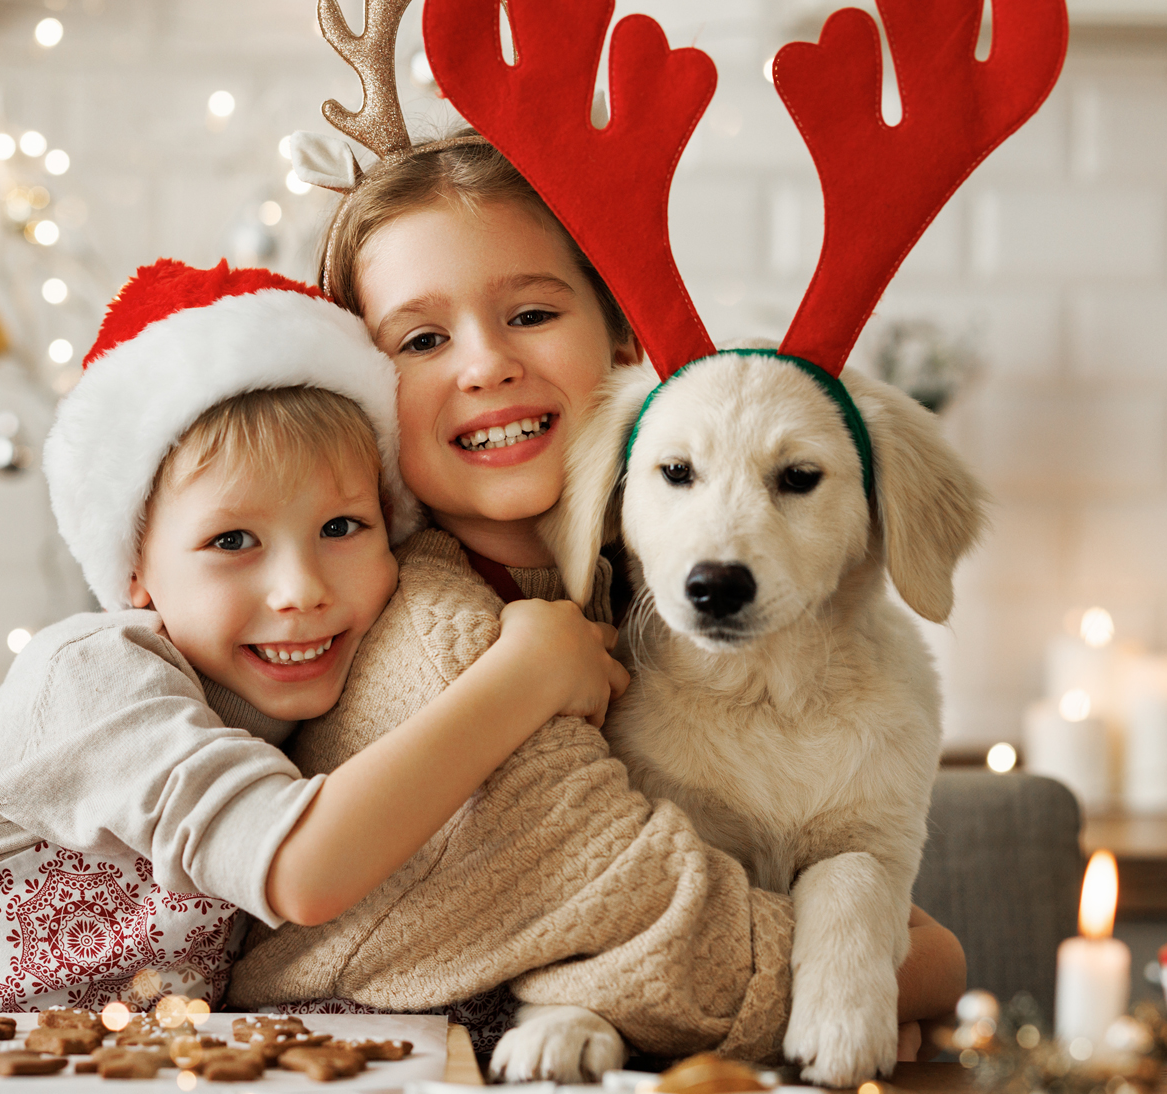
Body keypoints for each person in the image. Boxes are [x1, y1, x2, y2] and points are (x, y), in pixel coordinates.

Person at [0, 258, 626, 1012]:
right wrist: (522, 676)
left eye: (341, 528)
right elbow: (305, 869)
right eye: (231, 540)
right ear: (135, 575)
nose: (299, 591)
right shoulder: (97, 678)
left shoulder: (313, 701)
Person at [226, 141, 966, 1073]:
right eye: (421, 339)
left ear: (622, 345)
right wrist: (920, 964)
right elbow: (662, 921)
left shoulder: (629, 598)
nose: (487, 365)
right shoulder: (435, 637)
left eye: (531, 314)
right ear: (366, 389)